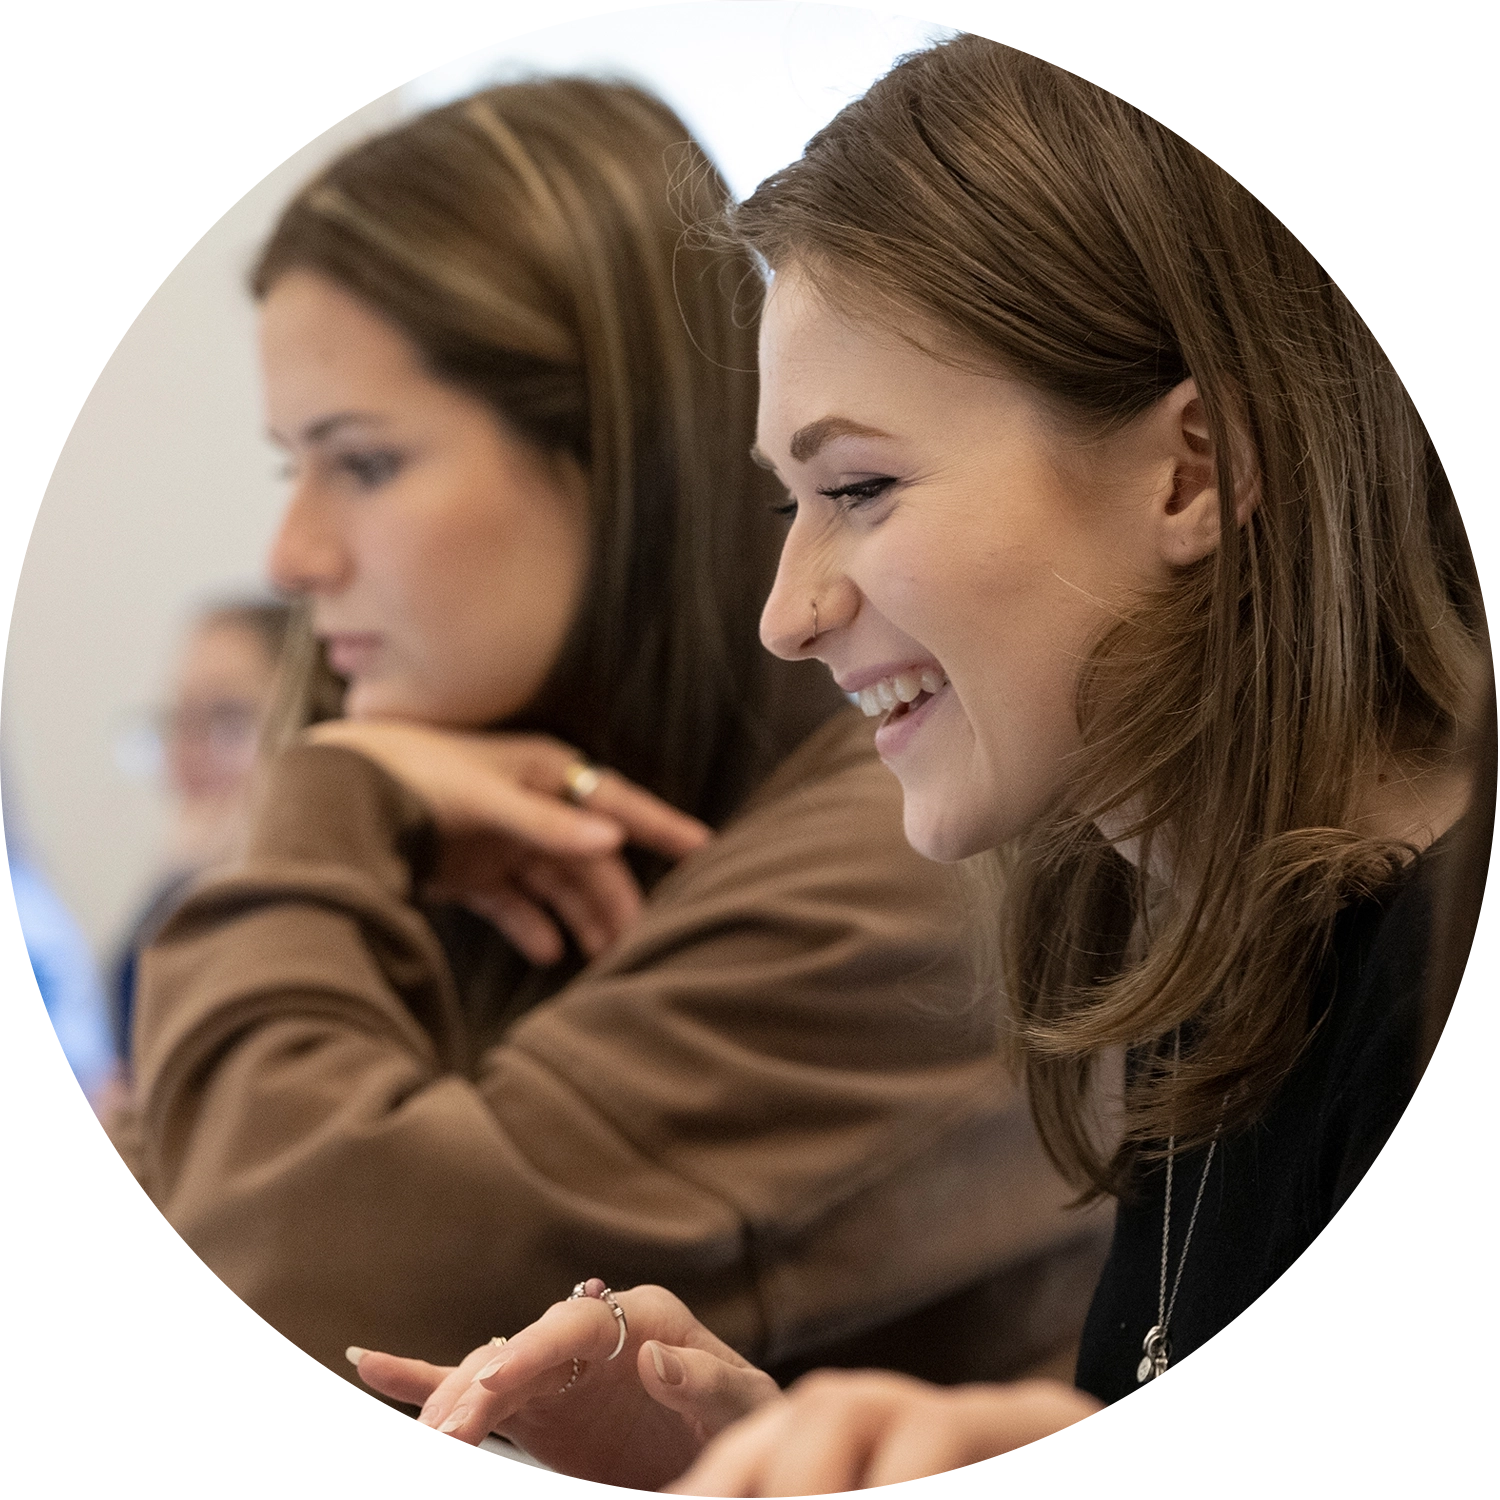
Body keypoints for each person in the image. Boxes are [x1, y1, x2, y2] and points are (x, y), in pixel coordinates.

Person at [351, 38, 1491, 1496]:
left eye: (860, 489)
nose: (786, 612)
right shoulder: (1225, 988)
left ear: (1194, 471)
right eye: (789, 504)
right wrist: (774, 1452)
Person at [120, 74, 1113, 1412]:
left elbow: (300, 1304)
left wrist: (327, 804)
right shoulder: (494, 808)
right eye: (287, 466)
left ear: (618, 455)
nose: (293, 555)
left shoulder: (914, 860)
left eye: (361, 464)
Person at [109, 598, 291, 1073]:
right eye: (176, 722)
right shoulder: (176, 892)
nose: (185, 755)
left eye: (226, 718)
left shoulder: (316, 925)